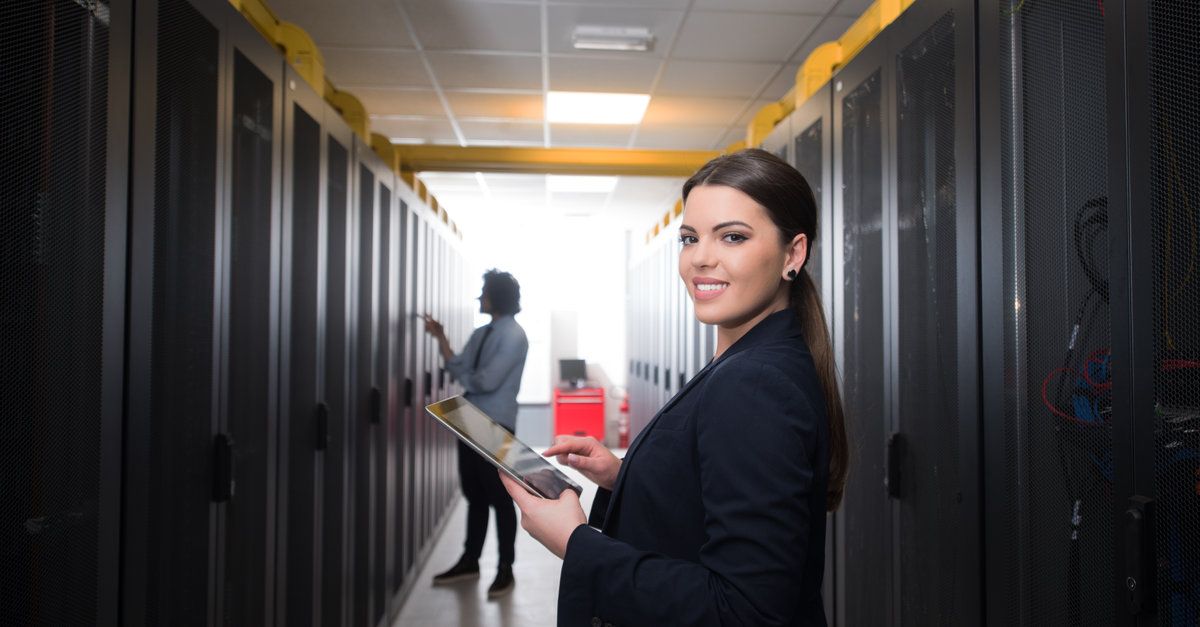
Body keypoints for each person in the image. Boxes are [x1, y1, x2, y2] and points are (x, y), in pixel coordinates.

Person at [499, 149, 848, 625]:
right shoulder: (753, 361)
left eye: (732, 237)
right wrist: (627, 478)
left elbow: (745, 612)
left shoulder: (753, 382)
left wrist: (576, 542)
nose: (701, 259)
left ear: (793, 253)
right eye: (689, 238)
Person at [425, 269, 529, 599]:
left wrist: (467, 376)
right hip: (470, 419)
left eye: (484, 292)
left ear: (497, 296)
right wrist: (440, 336)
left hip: (495, 424)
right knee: (474, 495)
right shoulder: (483, 332)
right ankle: (470, 561)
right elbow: (457, 366)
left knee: (500, 499)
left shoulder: (513, 335)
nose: (479, 297)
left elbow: (486, 381)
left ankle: (505, 570)